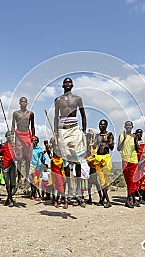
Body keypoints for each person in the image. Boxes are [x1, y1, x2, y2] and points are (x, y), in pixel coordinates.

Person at [54, 77, 87, 206]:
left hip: (75, 128)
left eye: (69, 82)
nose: (67, 84)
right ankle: (68, 192)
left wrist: (83, 132)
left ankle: (79, 193)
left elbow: (83, 115)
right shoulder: (58, 100)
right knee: (66, 162)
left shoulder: (78, 99)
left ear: (72, 85)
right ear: (63, 85)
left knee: (78, 160)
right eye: (65, 82)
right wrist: (56, 134)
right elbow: (56, 117)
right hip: (63, 130)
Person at [87, 120, 114, 208]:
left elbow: (112, 147)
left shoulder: (109, 135)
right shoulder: (97, 136)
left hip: (106, 158)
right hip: (98, 158)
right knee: (101, 180)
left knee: (105, 181)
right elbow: (94, 146)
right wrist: (90, 142)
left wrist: (109, 143)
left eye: (102, 124)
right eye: (99, 124)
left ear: (106, 126)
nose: (100, 126)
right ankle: (108, 201)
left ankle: (103, 199)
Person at [12, 97, 35, 188]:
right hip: (18, 135)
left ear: (27, 103)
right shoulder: (16, 113)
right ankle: (19, 178)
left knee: (28, 158)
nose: (23, 103)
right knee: (19, 158)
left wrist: (33, 136)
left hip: (27, 135)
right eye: (21, 101)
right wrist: (12, 137)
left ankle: (26, 178)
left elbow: (32, 126)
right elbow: (13, 126)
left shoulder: (31, 114)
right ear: (19, 103)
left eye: (25, 101)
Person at [117, 121, 139, 208]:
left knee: (132, 180)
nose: (128, 126)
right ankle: (133, 199)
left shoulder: (134, 136)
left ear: (132, 126)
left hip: (133, 160)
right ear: (124, 126)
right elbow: (119, 148)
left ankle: (128, 199)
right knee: (128, 181)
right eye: (127, 125)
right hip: (125, 161)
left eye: (130, 125)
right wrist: (124, 139)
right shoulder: (121, 136)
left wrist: (135, 140)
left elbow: (137, 149)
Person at [45, 137, 68, 209]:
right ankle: (56, 200)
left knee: (61, 184)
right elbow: (50, 155)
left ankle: (60, 200)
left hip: (60, 165)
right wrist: (46, 146)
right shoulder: (52, 146)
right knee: (55, 184)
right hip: (54, 164)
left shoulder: (62, 146)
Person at [0, 131, 17, 207]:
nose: (11, 137)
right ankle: (10, 200)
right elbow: (0, 154)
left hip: (13, 165)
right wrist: (1, 158)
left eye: (12, 136)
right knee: (7, 184)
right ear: (6, 137)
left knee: (13, 184)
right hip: (5, 166)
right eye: (9, 136)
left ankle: (8, 199)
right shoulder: (4, 145)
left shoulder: (16, 145)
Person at [29, 136, 46, 200]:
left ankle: (36, 194)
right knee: (31, 180)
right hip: (31, 166)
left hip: (38, 166)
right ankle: (33, 192)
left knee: (36, 181)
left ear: (38, 141)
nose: (34, 141)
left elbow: (43, 159)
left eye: (35, 140)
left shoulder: (39, 149)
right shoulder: (29, 148)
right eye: (33, 140)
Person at [133, 129, 145, 204]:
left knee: (143, 181)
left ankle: (143, 198)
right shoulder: (133, 142)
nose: (139, 134)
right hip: (134, 163)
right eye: (137, 133)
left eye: (140, 133)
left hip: (142, 163)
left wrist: (142, 161)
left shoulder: (144, 143)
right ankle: (135, 197)